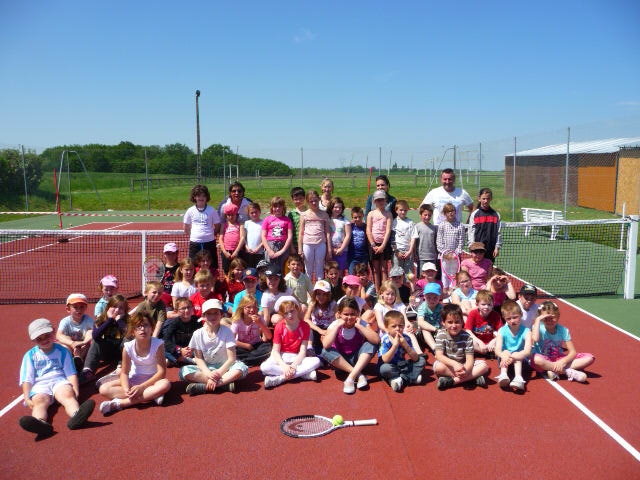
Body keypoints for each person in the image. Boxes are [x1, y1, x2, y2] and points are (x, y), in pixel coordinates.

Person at [18, 318, 95, 436]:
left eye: (47, 336)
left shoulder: (63, 351)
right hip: (40, 384)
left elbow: (70, 372)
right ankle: (40, 423)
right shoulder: (30, 356)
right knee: (39, 401)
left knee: (67, 395)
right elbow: (27, 379)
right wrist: (27, 397)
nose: (44, 340)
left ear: (53, 332)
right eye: (39, 338)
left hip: (59, 380)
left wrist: (75, 389)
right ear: (33, 340)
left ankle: (77, 416)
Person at [98, 312, 171, 414]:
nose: (142, 329)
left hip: (154, 380)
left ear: (151, 328)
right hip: (134, 380)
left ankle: (120, 404)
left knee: (165, 384)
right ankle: (152, 395)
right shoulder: (127, 347)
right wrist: (127, 389)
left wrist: (142, 388)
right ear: (132, 331)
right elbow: (124, 373)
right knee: (103, 389)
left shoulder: (158, 345)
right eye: (138, 326)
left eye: (146, 325)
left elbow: (162, 372)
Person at [181, 299, 249, 395]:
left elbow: (231, 359)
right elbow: (198, 358)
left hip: (226, 368)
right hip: (207, 368)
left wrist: (219, 374)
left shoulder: (227, 332)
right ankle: (224, 384)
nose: (212, 316)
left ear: (221, 315)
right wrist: (209, 373)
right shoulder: (197, 334)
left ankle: (205, 386)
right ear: (203, 316)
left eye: (216, 313)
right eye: (209, 313)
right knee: (184, 372)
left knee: (241, 369)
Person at [321, 297, 380, 394]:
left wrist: (359, 326)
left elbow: (376, 340)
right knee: (325, 351)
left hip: (358, 360)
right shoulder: (335, 324)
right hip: (340, 362)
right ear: (339, 314)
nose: (349, 317)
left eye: (352, 314)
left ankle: (350, 378)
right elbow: (326, 344)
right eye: (346, 314)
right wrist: (337, 327)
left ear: (358, 313)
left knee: (371, 344)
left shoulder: (362, 324)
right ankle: (358, 374)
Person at [260, 297, 322, 389]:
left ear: (297, 309)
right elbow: (276, 351)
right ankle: (303, 374)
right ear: (282, 314)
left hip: (296, 357)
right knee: (264, 368)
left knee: (317, 361)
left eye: (292, 311)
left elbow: (302, 351)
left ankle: (281, 378)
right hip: (281, 356)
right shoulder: (279, 326)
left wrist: (293, 366)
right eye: (286, 313)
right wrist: (284, 366)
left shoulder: (305, 326)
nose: (290, 315)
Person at [531, 301, 595, 382]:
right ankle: (566, 371)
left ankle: (551, 369)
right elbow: (535, 339)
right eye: (546, 318)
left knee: (589, 358)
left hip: (558, 358)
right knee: (536, 359)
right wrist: (537, 319)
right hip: (543, 359)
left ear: (558, 316)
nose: (549, 320)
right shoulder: (537, 327)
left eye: (552, 317)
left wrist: (563, 361)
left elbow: (572, 352)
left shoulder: (564, 330)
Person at [434, 304, 489, 390]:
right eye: (450, 322)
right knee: (438, 368)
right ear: (443, 323)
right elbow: (439, 355)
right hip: (449, 365)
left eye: (457, 322)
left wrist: (465, 371)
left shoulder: (467, 337)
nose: (454, 325)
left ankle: (453, 381)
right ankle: (472, 379)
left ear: (462, 322)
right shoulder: (441, 335)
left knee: (484, 366)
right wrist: (455, 364)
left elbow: (470, 359)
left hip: (465, 365)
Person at [80, 295, 129, 384]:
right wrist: (110, 320)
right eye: (114, 306)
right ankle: (88, 371)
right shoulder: (101, 320)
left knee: (128, 340)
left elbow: (129, 335)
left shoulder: (127, 320)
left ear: (125, 311)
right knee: (96, 341)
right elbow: (95, 336)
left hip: (120, 355)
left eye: (121, 308)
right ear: (108, 307)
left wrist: (119, 321)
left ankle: (121, 367)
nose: (117, 310)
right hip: (105, 353)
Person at [378, 310, 425, 392]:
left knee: (422, 360)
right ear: (386, 328)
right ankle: (411, 377)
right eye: (393, 326)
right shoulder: (385, 339)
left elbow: (415, 358)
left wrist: (405, 345)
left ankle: (400, 380)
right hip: (390, 366)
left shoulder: (406, 338)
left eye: (401, 326)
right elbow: (385, 360)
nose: (398, 329)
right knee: (384, 369)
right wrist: (395, 345)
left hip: (402, 365)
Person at [494, 300, 532, 391]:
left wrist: (515, 356)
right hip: (505, 361)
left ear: (521, 315)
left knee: (517, 354)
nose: (512, 321)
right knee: (505, 351)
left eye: (515, 317)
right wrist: (504, 355)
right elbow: (497, 350)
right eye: (509, 319)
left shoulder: (527, 331)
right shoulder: (502, 331)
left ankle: (518, 378)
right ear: (504, 318)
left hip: (521, 361)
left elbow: (527, 351)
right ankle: (503, 375)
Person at [298, 189, 332, 282]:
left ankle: (319, 291)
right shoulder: (304, 215)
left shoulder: (324, 214)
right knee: (308, 269)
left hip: (320, 244)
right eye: (311, 201)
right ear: (307, 202)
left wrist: (329, 249)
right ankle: (309, 293)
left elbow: (327, 233)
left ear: (319, 199)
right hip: (307, 244)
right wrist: (300, 249)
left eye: (315, 200)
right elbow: (301, 233)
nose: (313, 203)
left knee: (320, 268)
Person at [184, 184, 221, 269]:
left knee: (212, 266)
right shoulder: (190, 211)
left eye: (203, 195)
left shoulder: (212, 210)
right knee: (193, 266)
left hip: (210, 242)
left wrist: (210, 234)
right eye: (198, 195)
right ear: (194, 197)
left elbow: (217, 225)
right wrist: (194, 235)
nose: (201, 198)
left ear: (207, 197)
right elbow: (186, 227)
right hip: (195, 243)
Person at [230, 294, 272, 367]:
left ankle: (246, 361)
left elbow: (269, 337)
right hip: (242, 346)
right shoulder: (237, 320)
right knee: (233, 350)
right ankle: (254, 360)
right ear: (242, 308)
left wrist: (260, 324)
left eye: (255, 307)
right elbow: (231, 340)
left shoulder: (260, 319)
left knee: (268, 347)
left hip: (256, 345)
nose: (252, 310)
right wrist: (247, 345)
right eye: (248, 307)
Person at [56, 293, 93, 370]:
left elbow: (94, 332)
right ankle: (72, 361)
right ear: (68, 309)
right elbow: (58, 335)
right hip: (70, 345)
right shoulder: (65, 321)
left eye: (82, 307)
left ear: (86, 308)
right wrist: (72, 344)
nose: (79, 310)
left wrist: (83, 342)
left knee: (90, 334)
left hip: (83, 345)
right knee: (64, 343)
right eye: (75, 307)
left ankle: (78, 360)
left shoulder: (88, 319)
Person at [436, 202, 465, 294]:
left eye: (452, 211)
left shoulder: (460, 226)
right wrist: (445, 253)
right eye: (448, 211)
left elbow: (461, 242)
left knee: (454, 274)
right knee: (445, 274)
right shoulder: (442, 225)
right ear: (445, 213)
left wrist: (455, 254)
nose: (451, 213)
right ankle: (445, 292)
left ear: (455, 212)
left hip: (455, 257)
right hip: (444, 256)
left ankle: (453, 292)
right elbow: (439, 242)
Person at [162, 297, 200, 367]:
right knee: (161, 350)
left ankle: (177, 361)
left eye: (189, 307)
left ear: (192, 308)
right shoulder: (174, 322)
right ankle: (185, 360)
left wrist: (192, 349)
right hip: (179, 350)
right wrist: (179, 350)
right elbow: (166, 340)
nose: (186, 310)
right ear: (176, 311)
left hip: (194, 350)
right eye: (183, 308)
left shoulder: (197, 321)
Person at [367, 190, 392, 288]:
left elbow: (388, 230)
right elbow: (368, 230)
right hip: (374, 245)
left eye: (382, 200)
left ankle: (385, 289)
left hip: (384, 244)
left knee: (384, 269)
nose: (380, 202)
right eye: (378, 200)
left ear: (385, 200)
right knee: (376, 269)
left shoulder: (388, 214)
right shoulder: (371, 214)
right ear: (374, 201)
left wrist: (383, 245)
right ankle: (377, 290)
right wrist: (373, 245)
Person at [304, 280, 337, 356]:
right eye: (319, 294)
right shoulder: (312, 303)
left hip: (328, 329)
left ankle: (331, 349)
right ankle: (310, 348)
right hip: (316, 328)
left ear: (328, 295)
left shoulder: (333, 304)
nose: (321, 297)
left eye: (324, 294)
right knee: (307, 326)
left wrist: (329, 330)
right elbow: (306, 319)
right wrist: (319, 330)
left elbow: (338, 319)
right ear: (315, 294)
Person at [468, 188, 501, 262]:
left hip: (491, 248)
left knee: (488, 270)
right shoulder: (475, 214)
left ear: (491, 199)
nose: (486, 201)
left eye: (488, 199)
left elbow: (498, 233)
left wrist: (497, 247)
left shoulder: (496, 215)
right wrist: (471, 245)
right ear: (479, 199)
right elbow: (471, 231)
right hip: (477, 249)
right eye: (483, 199)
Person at [464, 290, 503, 355]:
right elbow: (468, 330)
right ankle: (484, 352)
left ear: (493, 304)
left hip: (490, 343)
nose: (486, 307)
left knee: (500, 340)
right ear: (477, 304)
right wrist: (480, 342)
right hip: (477, 343)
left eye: (489, 304)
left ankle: (487, 352)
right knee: (469, 341)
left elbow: (502, 331)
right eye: (483, 304)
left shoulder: (496, 315)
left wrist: (493, 341)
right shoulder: (473, 313)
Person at [261, 196, 293, 272]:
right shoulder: (267, 219)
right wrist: (269, 250)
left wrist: (282, 250)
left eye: (279, 206)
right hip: (270, 245)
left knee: (282, 269)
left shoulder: (287, 220)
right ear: (272, 207)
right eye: (275, 206)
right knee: (270, 269)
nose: (277, 208)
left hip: (283, 246)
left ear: (283, 207)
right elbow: (263, 236)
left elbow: (289, 236)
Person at [410, 204, 438, 275]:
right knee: (421, 276)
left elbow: (435, 242)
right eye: (425, 215)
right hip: (421, 257)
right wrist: (414, 254)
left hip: (431, 256)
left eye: (429, 215)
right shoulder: (417, 227)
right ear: (420, 215)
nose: (427, 217)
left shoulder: (434, 228)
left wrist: (436, 253)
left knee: (431, 275)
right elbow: (414, 242)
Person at [219, 203, 246, 274]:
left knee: (239, 271)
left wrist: (236, 251)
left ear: (236, 215)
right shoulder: (224, 225)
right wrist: (224, 252)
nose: (230, 217)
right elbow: (220, 239)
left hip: (237, 252)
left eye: (232, 215)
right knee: (227, 272)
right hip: (226, 252)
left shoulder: (240, 225)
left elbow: (242, 238)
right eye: (228, 215)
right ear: (226, 216)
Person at [416, 283, 442, 352]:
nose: (432, 300)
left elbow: (443, 320)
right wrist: (435, 329)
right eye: (429, 297)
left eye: (435, 297)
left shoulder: (440, 307)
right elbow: (420, 322)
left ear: (439, 297)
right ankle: (435, 349)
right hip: (424, 333)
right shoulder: (422, 307)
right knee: (425, 329)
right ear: (424, 296)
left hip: (437, 332)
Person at [391, 200, 415, 275]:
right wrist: (396, 251)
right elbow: (392, 238)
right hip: (397, 252)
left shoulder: (410, 222)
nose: (403, 212)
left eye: (405, 210)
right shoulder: (394, 222)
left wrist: (410, 251)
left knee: (409, 274)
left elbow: (413, 237)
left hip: (408, 252)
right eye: (401, 210)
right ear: (396, 210)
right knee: (397, 273)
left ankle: (408, 286)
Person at [328, 197, 351, 273]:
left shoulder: (345, 221)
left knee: (340, 272)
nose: (338, 209)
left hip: (342, 251)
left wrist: (341, 249)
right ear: (331, 208)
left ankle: (340, 285)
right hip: (330, 250)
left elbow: (348, 235)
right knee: (330, 271)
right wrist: (330, 248)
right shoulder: (327, 220)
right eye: (335, 207)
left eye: (340, 207)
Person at [347, 206, 369, 274]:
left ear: (363, 216)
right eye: (355, 217)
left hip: (363, 256)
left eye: (360, 217)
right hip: (352, 256)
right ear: (352, 217)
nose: (358, 219)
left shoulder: (366, 227)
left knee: (362, 276)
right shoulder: (350, 226)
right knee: (351, 276)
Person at [242, 202, 264, 267]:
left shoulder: (263, 223)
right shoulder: (247, 223)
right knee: (250, 270)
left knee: (260, 270)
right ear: (248, 214)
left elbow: (264, 238)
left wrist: (258, 248)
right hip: (248, 252)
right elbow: (244, 237)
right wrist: (246, 247)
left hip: (260, 252)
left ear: (259, 212)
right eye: (252, 213)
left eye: (256, 212)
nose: (254, 214)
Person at [160, 242, 180, 306]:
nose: (170, 256)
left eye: (173, 253)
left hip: (178, 296)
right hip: (165, 298)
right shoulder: (160, 269)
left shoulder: (181, 268)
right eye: (168, 253)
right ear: (164, 254)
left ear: (177, 254)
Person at [287, 187, 306, 254]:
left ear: (304, 198)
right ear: (292, 200)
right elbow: (290, 232)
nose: (298, 201)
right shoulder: (291, 214)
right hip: (295, 245)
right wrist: (291, 247)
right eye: (296, 199)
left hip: (308, 243)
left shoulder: (309, 212)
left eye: (300, 198)